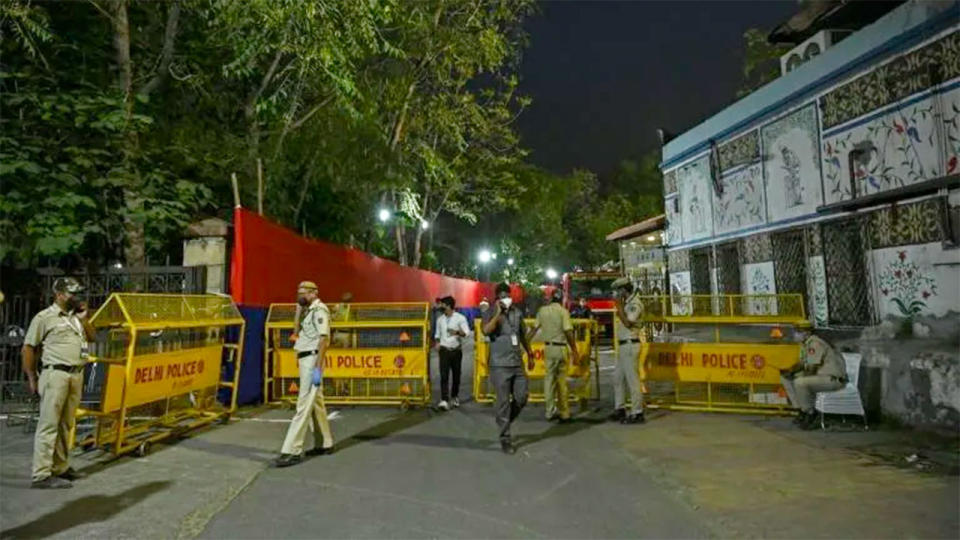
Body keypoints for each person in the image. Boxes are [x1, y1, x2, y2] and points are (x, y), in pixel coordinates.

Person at [23, 277, 95, 489]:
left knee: (66, 424)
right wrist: (32, 377)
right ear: (60, 295)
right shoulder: (45, 317)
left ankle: (61, 467)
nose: (78, 297)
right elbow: (28, 348)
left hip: (76, 374)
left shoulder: (77, 317)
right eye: (73, 293)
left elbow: (92, 337)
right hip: (55, 375)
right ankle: (42, 474)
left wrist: (85, 320)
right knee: (49, 424)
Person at [275, 281, 334, 467]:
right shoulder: (307, 311)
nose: (300, 295)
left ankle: (293, 450)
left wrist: (318, 368)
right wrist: (298, 311)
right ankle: (325, 443)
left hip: (312, 360)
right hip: (305, 358)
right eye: (298, 291)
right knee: (316, 403)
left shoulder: (319, 311)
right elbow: (295, 332)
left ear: (314, 293)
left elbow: (324, 340)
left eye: (304, 292)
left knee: (303, 405)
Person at [482, 282, 534, 454]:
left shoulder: (517, 313)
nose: (505, 298)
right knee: (503, 402)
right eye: (502, 295)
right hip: (499, 365)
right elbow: (486, 331)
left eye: (507, 294)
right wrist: (497, 314)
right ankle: (505, 438)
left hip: (517, 362)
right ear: (496, 297)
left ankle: (504, 420)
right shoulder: (489, 311)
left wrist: (531, 354)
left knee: (522, 397)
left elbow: (523, 336)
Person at [527, 289, 580, 423]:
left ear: (551, 298)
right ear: (561, 299)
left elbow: (533, 330)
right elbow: (568, 332)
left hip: (548, 349)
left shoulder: (542, 311)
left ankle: (549, 411)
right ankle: (565, 413)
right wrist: (574, 350)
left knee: (549, 381)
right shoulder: (563, 312)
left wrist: (524, 345)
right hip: (561, 348)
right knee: (562, 382)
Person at [780, 329, 847, 430]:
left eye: (798, 331)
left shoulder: (815, 344)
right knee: (786, 379)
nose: (795, 334)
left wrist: (798, 375)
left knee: (800, 382)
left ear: (807, 333)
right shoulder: (805, 344)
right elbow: (802, 363)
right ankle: (801, 410)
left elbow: (812, 367)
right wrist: (790, 371)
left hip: (832, 379)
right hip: (821, 377)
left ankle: (811, 413)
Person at [610, 277, 645, 424]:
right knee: (617, 378)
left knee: (633, 380)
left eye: (619, 290)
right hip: (623, 346)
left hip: (631, 345)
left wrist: (618, 306)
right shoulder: (628, 303)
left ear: (624, 289)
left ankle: (637, 412)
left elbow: (628, 322)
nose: (617, 294)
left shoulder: (635, 304)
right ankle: (620, 409)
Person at [434, 296, 471, 410]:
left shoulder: (460, 318)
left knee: (456, 376)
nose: (441, 307)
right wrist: (437, 342)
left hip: (456, 351)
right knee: (444, 375)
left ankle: (454, 396)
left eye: (443, 305)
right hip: (444, 350)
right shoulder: (440, 320)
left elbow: (467, 333)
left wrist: (456, 332)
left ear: (449, 306)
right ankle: (444, 399)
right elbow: (437, 334)